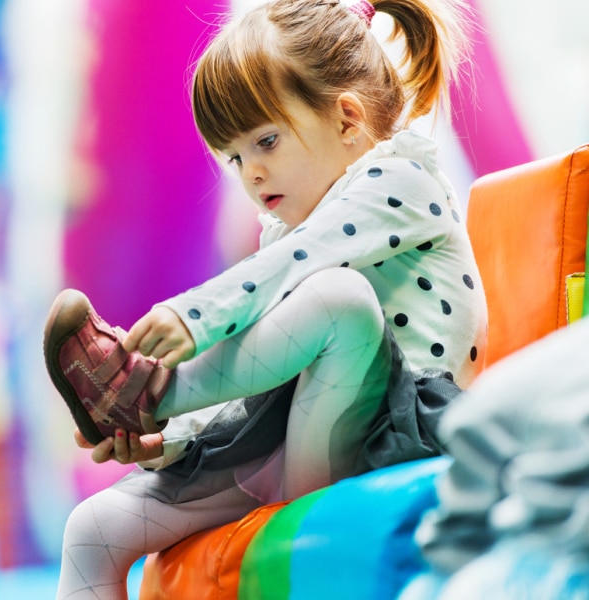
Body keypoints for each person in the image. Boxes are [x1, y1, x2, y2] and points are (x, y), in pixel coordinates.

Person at [43, 0, 486, 598]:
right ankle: (142, 401)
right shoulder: (287, 235)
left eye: (266, 142)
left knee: (342, 298)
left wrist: (190, 321)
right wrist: (163, 438)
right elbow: (257, 372)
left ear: (349, 118)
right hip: (297, 436)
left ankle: (145, 390)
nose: (250, 173)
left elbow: (294, 266)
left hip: (391, 437)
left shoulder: (400, 182)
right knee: (92, 532)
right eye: (234, 157)